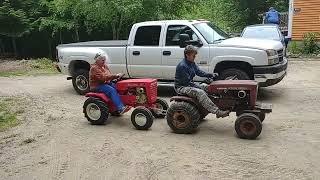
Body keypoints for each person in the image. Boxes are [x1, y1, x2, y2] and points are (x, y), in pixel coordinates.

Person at [174, 45, 230, 118]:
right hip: (182, 87)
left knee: (208, 87)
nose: (195, 57)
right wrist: (199, 87)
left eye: (195, 55)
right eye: (193, 55)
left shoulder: (191, 63)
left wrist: (210, 75)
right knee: (200, 92)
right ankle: (217, 112)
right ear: (187, 55)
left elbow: (199, 72)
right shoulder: (182, 66)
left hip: (189, 84)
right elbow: (187, 83)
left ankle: (222, 104)